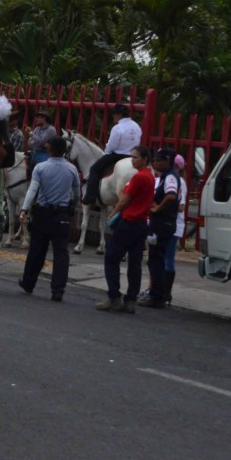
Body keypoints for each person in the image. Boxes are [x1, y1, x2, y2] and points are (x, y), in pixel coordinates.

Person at [18, 136, 80, 302]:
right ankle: (58, 290)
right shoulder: (72, 169)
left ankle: (28, 282)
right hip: (62, 214)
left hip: (43, 213)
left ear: (49, 148)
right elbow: (77, 192)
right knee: (61, 252)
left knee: (37, 250)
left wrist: (24, 208)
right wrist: (73, 205)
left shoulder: (41, 167)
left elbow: (32, 190)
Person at [96, 145, 155, 312]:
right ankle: (131, 300)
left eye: (135, 157)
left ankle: (114, 296)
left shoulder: (138, 177)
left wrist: (112, 214)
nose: (132, 160)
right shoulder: (150, 176)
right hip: (141, 223)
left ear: (144, 159)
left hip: (129, 221)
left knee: (111, 257)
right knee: (135, 263)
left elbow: (124, 200)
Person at [136, 153, 188, 307]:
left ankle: (160, 294)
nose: (154, 163)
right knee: (156, 259)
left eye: (158, 160)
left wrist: (158, 208)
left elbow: (173, 198)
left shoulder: (171, 177)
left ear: (168, 162)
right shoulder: (165, 177)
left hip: (164, 224)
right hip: (162, 223)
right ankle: (157, 292)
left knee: (160, 259)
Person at [82, 104, 142, 205]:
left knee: (94, 169)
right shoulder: (136, 126)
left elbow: (112, 145)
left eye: (114, 114)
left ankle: (90, 197)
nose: (113, 116)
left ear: (119, 115)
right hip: (133, 156)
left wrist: (106, 153)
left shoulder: (117, 128)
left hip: (117, 155)